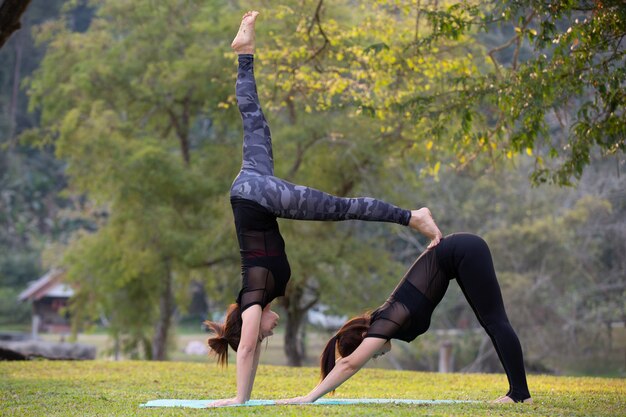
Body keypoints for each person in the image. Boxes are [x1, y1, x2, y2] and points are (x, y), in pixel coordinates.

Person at [204, 11, 442, 407]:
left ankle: (413, 216)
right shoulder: (257, 297)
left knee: (341, 207)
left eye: (263, 333)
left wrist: (237, 402)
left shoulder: (252, 302)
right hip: (251, 186)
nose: (267, 333)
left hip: (256, 196)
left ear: (247, 324)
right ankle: (245, 52)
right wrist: (244, 397)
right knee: (253, 120)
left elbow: (245, 350)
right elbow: (251, 351)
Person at [278, 233, 532, 405]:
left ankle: (520, 393)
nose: (377, 355)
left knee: (495, 321)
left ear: (365, 338)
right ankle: (516, 392)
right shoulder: (385, 320)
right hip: (460, 253)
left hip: (464, 250)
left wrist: (309, 397)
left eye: (372, 354)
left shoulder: (384, 322)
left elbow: (349, 365)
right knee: (492, 323)